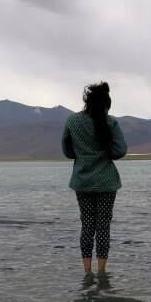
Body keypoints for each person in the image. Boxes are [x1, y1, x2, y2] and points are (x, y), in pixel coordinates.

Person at [62, 82, 128, 274]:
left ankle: (87, 272)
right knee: (103, 227)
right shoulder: (110, 122)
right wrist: (104, 153)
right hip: (106, 182)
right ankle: (102, 273)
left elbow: (67, 151)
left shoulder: (72, 121)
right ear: (106, 104)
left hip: (82, 181)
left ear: (87, 101)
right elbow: (120, 150)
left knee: (87, 225)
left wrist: (82, 154)